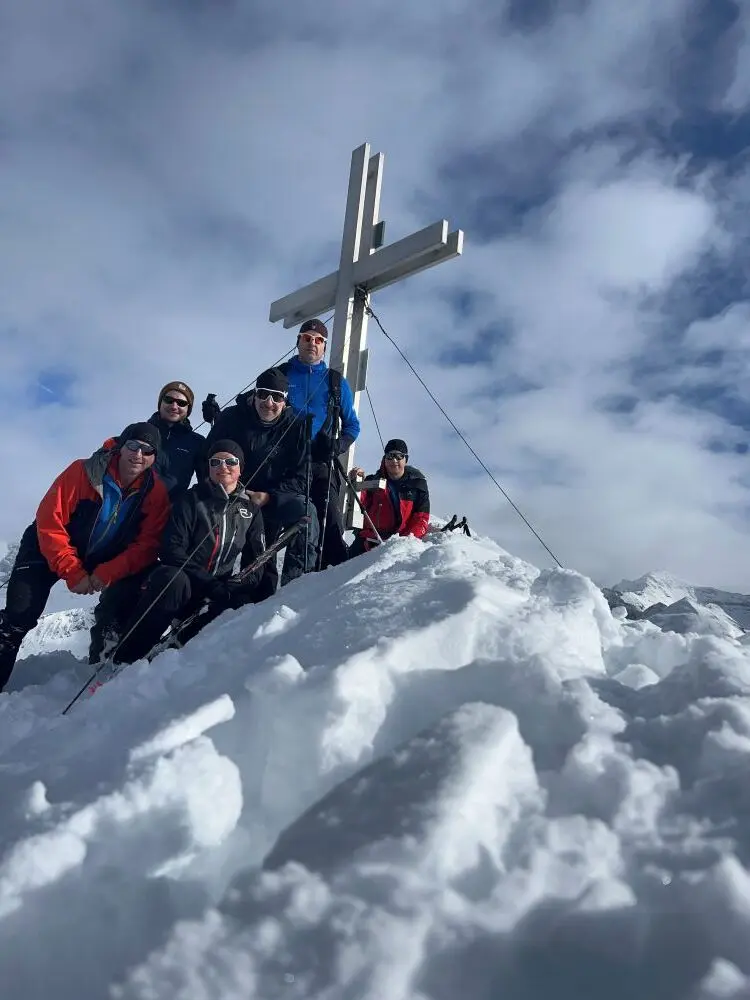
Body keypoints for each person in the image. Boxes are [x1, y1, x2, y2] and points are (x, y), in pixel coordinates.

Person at [0, 423, 170, 690]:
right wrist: (72, 571)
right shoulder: (84, 471)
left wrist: (107, 573)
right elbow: (50, 521)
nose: (138, 455)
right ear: (120, 447)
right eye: (133, 446)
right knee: (17, 619)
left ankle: (113, 649)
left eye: (148, 450)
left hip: (100, 558)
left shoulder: (154, 492)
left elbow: (147, 545)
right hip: (45, 550)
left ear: (154, 457)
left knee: (144, 579)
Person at [109, 440, 266, 664]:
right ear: (208, 468)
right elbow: (171, 549)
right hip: (186, 583)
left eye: (230, 462)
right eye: (215, 462)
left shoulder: (250, 510)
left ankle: (182, 650)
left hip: (218, 589)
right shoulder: (192, 499)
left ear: (240, 467)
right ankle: (127, 658)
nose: (223, 467)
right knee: (172, 580)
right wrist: (208, 583)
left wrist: (238, 585)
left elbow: (257, 559)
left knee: (241, 602)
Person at [204, 367, 319, 594]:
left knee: (306, 511)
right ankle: (213, 594)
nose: (269, 402)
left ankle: (296, 588)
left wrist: (269, 497)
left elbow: (303, 477)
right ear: (254, 395)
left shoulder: (296, 426)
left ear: (285, 401)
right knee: (240, 550)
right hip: (232, 496)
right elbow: (206, 457)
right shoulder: (231, 418)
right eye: (263, 394)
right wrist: (227, 490)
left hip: (271, 499)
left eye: (277, 397)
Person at [279, 318, 360, 569]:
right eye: (306, 338)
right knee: (274, 531)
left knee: (330, 527)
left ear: (324, 346)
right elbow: (258, 408)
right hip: (283, 464)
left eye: (318, 340)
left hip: (321, 464)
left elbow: (352, 425)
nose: (312, 343)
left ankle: (330, 583)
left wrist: (338, 446)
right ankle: (265, 588)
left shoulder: (335, 382)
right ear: (298, 342)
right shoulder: (280, 375)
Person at [348, 439, 430, 558]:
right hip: (367, 543)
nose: (394, 460)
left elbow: (421, 518)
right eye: (390, 456)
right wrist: (357, 480)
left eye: (399, 456)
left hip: (399, 546)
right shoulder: (372, 481)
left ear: (406, 459)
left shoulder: (417, 484)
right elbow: (359, 502)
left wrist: (404, 543)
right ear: (384, 459)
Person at [147, 381, 204, 498]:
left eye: (181, 403)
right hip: (131, 504)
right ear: (160, 403)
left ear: (188, 409)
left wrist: (218, 421)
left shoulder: (197, 442)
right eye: (169, 400)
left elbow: (209, 480)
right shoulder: (139, 431)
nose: (174, 406)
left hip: (171, 507)